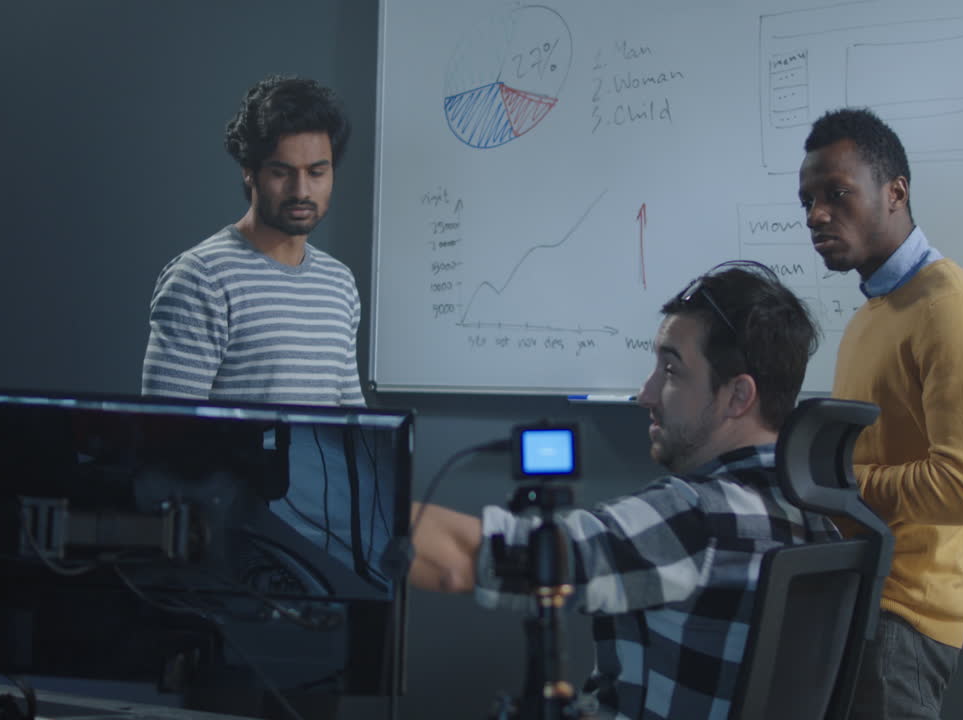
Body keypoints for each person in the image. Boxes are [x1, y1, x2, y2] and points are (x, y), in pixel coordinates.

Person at [409, 261, 838, 719]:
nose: (645, 394)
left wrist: (333, 504)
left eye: (671, 371)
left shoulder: (695, 520)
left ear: (737, 396)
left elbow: (463, 560)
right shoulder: (823, 523)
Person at [797, 108, 963, 720]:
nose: (816, 215)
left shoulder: (952, 308)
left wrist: (839, 488)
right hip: (858, 597)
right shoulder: (871, 315)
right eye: (807, 199)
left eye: (836, 194)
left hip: (904, 619)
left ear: (896, 193)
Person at [141, 74, 365, 407]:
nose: (301, 191)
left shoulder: (339, 283)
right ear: (249, 170)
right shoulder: (202, 278)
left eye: (317, 173)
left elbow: (352, 431)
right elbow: (165, 433)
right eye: (281, 172)